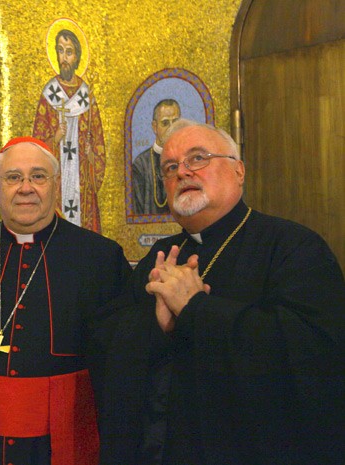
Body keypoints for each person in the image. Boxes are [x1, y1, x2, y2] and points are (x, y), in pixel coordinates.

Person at [92, 119, 345, 464]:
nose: (182, 172)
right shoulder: (161, 253)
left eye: (198, 158)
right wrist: (156, 324)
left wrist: (196, 309)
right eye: (170, 167)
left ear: (238, 171)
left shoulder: (293, 246)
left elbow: (311, 350)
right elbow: (109, 337)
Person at [0, 136, 131, 465]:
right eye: (14, 177)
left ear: (56, 185)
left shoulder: (101, 258)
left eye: (38, 176)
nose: (26, 187)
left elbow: (120, 361)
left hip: (64, 441)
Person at [33, 29, 106, 233]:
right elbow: (35, 147)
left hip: (81, 183)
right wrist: (54, 139)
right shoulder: (49, 93)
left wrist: (92, 155)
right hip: (57, 181)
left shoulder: (86, 95)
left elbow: (98, 141)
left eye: (69, 52)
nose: (64, 58)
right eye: (60, 51)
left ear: (77, 57)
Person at [131, 99, 180, 215]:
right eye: (165, 123)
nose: (171, 128)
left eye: (176, 122)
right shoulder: (140, 165)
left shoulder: (189, 160)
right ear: (154, 127)